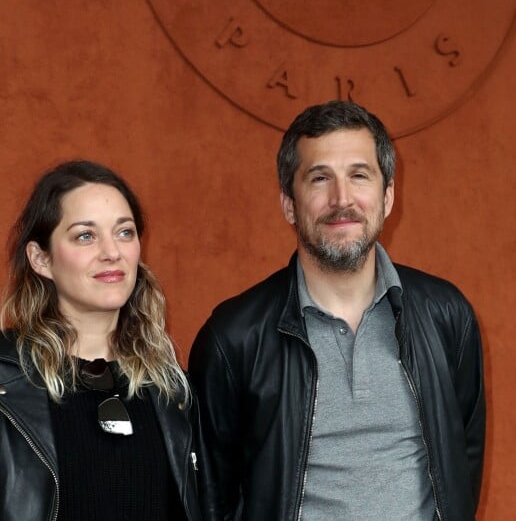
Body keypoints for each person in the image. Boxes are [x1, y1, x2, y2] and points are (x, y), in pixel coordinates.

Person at [189, 101, 486, 521]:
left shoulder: (446, 314)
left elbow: (462, 460)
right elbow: (211, 497)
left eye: (359, 176)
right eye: (319, 178)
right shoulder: (233, 337)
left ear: (387, 198)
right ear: (289, 204)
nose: (341, 199)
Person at [0, 160, 217, 521]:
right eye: (85, 235)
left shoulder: (172, 393)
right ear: (41, 259)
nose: (112, 252)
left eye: (125, 232)